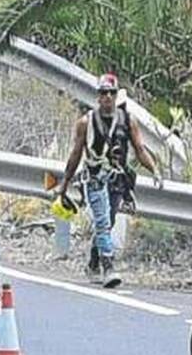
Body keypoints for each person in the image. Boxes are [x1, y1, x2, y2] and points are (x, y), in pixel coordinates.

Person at [56, 73, 162, 288]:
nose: (107, 97)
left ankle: (93, 263)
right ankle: (108, 266)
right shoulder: (86, 122)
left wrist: (155, 170)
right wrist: (64, 184)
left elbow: (139, 149)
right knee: (103, 223)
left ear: (116, 96)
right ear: (98, 96)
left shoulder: (127, 121)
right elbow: (75, 154)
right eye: (103, 93)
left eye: (110, 93)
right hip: (95, 178)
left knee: (109, 221)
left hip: (116, 179)